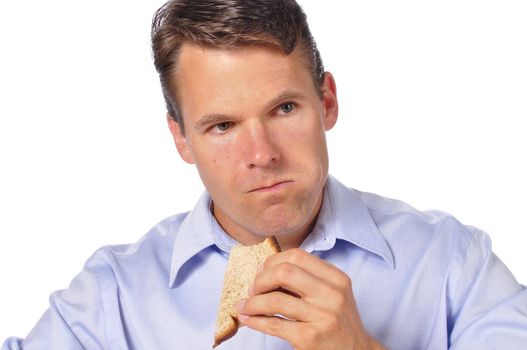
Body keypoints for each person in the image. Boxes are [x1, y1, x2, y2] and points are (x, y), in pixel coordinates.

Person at [2, 0, 526, 349]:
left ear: (327, 102)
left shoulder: (454, 264)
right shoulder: (112, 297)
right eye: (223, 125)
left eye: (283, 109)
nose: (262, 154)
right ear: (181, 138)